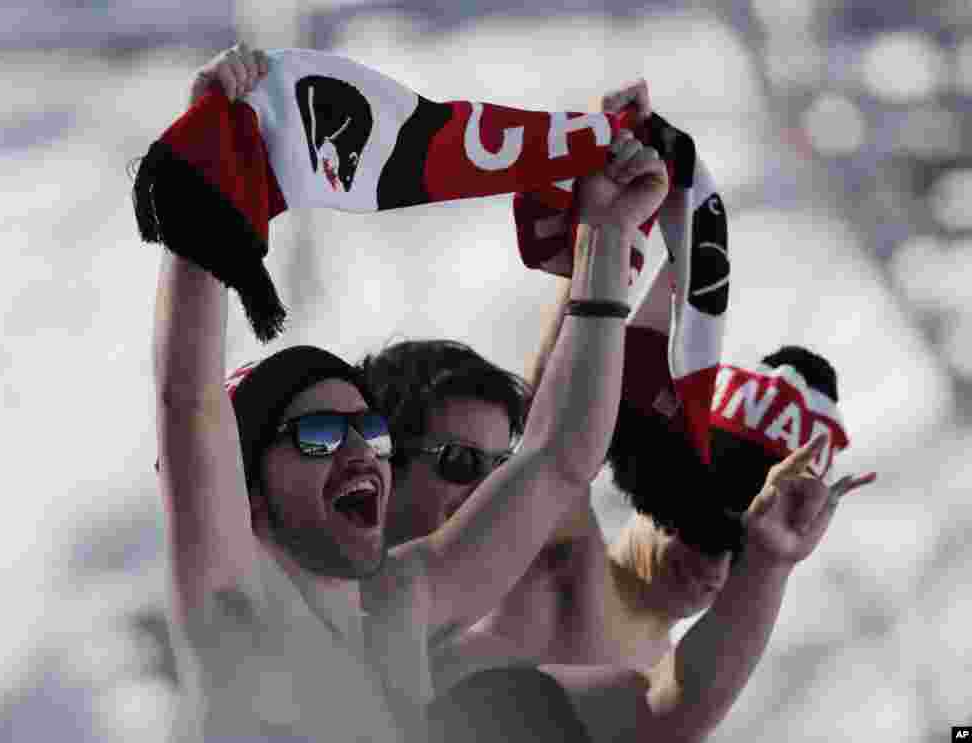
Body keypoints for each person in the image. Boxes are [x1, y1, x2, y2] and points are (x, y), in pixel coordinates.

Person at [154, 43, 668, 742]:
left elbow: (558, 458)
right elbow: (188, 401)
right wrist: (209, 165)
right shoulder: (236, 607)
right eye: (320, 435)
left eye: (370, 431)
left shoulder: (400, 602)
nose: (362, 452)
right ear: (247, 493)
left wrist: (604, 239)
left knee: (587, 700)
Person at [420, 272, 875, 742]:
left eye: (735, 551)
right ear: (659, 493)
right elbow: (552, 420)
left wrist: (770, 558)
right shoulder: (564, 549)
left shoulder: (686, 678)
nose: (712, 566)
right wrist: (608, 248)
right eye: (702, 529)